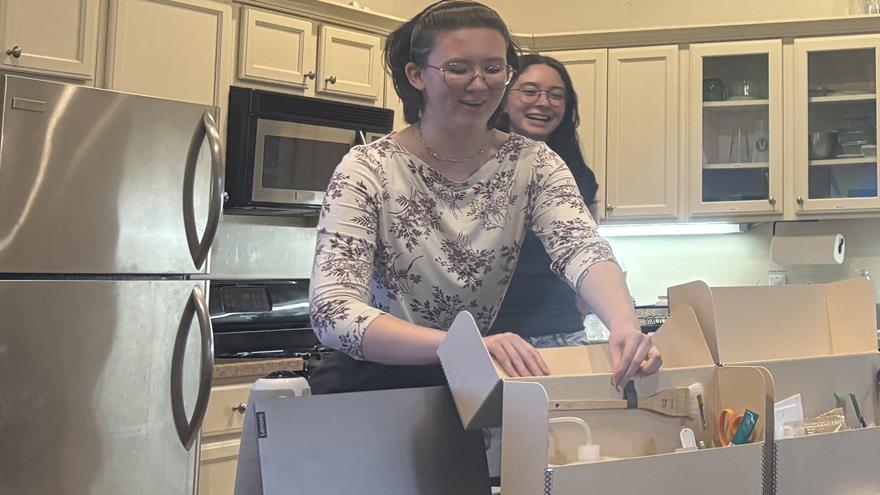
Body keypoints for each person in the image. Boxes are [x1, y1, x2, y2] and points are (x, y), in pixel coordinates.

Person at [308, 0, 661, 395]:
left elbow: (581, 246)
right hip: (374, 386)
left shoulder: (533, 163)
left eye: (494, 69)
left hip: (471, 382)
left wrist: (625, 324)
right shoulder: (367, 168)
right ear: (416, 75)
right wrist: (457, 346)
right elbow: (332, 311)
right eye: (458, 69)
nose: (479, 83)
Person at [490, 54, 605, 348]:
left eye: (556, 95)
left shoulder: (577, 174)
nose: (543, 102)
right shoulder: (475, 166)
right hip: (490, 337)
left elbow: (588, 250)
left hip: (561, 332)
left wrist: (582, 306)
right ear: (503, 99)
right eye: (529, 91)